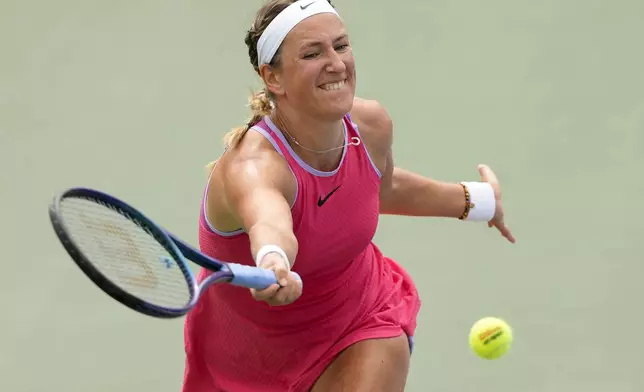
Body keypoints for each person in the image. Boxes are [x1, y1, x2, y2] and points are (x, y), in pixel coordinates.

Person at [182, 0, 515, 391]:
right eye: (312, 53)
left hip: (360, 317)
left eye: (341, 46)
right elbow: (270, 224)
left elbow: (380, 188)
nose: (336, 63)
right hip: (244, 357)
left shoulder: (370, 125)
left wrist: (478, 200)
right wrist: (273, 263)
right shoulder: (253, 168)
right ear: (273, 77)